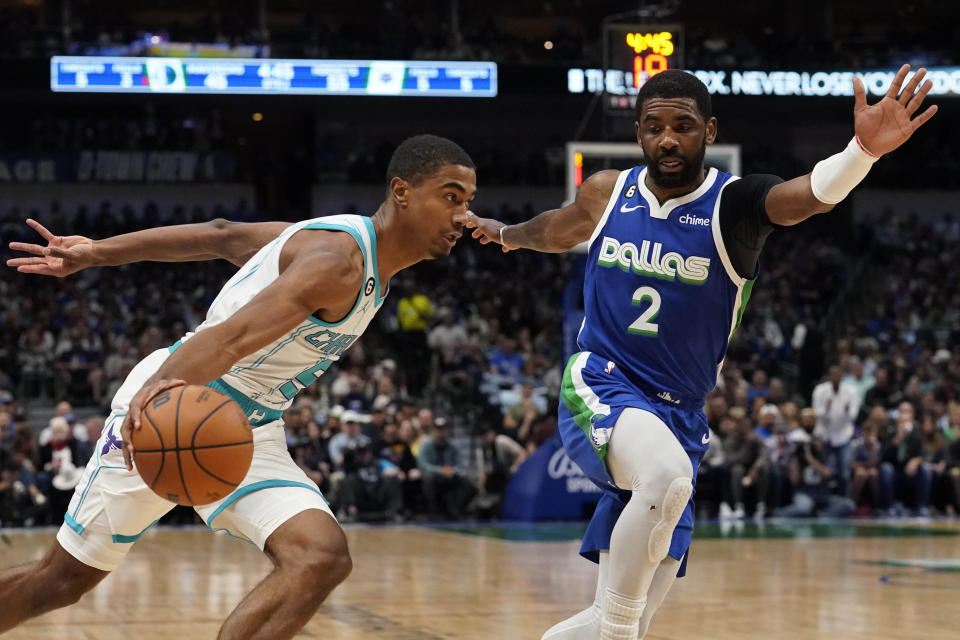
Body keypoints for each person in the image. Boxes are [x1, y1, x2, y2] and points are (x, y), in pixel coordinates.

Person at [466, 66, 936, 640]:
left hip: (681, 414)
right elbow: (557, 230)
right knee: (657, 499)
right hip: (603, 382)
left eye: (683, 126)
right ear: (639, 131)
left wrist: (861, 151)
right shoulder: (608, 190)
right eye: (654, 126)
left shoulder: (733, 205)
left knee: (627, 618)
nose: (667, 139)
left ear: (708, 130)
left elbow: (811, 196)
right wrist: (505, 232)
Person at [1, 134, 476, 638]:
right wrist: (160, 387)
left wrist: (98, 252)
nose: (464, 216)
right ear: (401, 191)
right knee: (62, 580)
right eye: (451, 197)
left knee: (321, 557)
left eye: (468, 202)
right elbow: (231, 339)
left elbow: (221, 235)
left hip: (251, 427)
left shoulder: (334, 243)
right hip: (181, 401)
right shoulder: (339, 262)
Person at [812, 364, 861, 496]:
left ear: (842, 376)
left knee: (844, 473)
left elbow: (853, 416)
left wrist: (846, 412)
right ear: (828, 376)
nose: (835, 377)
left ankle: (844, 501)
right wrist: (827, 408)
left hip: (843, 436)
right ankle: (822, 502)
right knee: (823, 472)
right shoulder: (820, 390)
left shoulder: (851, 391)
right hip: (825, 435)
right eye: (833, 375)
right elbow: (817, 414)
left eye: (838, 375)